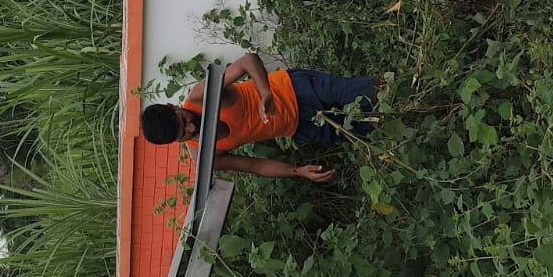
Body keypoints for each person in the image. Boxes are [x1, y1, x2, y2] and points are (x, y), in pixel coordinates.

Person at [140, 52, 377, 183]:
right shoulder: (204, 154)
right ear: (176, 142)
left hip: (296, 88)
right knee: (366, 131)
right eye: (184, 134)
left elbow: (247, 61)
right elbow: (255, 166)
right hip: (300, 126)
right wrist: (297, 171)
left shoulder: (201, 96)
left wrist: (265, 93)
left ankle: (397, 84)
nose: (191, 128)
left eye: (184, 120)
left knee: (365, 93)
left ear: (173, 106)